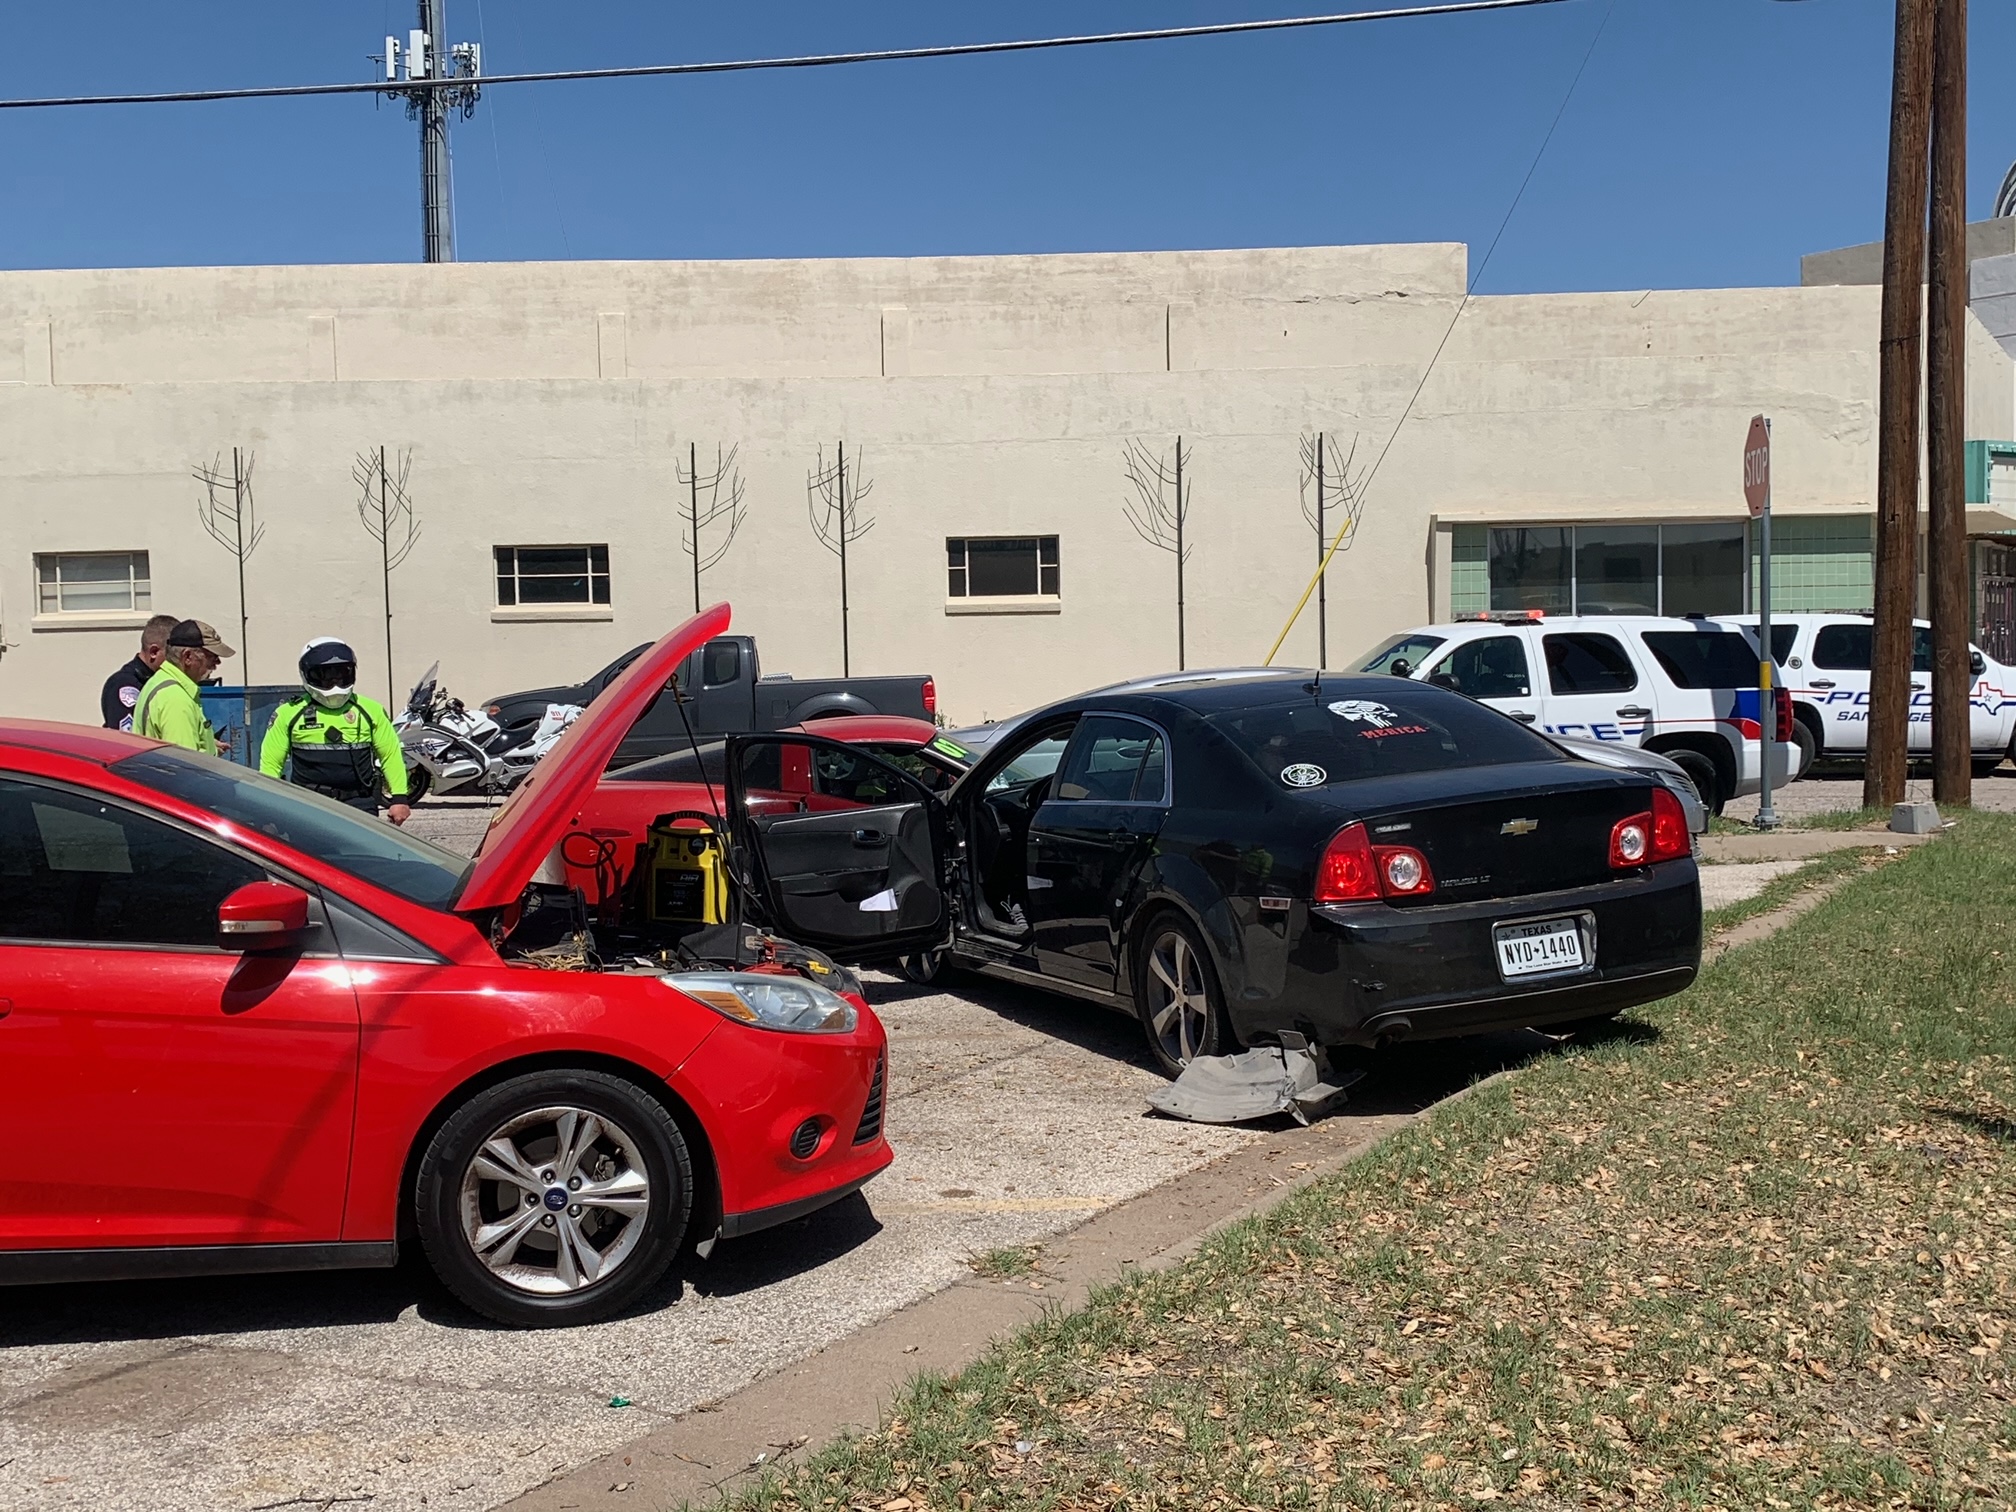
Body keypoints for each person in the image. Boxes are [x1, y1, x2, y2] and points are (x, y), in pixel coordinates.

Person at [260, 638, 411, 824]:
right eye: (324, 675)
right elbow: (271, 764)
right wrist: (268, 802)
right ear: (307, 674)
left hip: (359, 802)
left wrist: (399, 798)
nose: (334, 683)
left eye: (341, 674)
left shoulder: (371, 710)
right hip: (308, 803)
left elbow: (390, 754)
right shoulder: (288, 713)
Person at [134, 619, 234, 754]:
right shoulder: (176, 699)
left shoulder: (157, 681)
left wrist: (210, 746)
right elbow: (185, 762)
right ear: (187, 657)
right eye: (212, 656)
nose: (217, 662)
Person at [101, 614, 182, 731]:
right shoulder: (125, 685)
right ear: (154, 652)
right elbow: (126, 736)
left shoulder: (161, 681)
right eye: (172, 654)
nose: (177, 660)